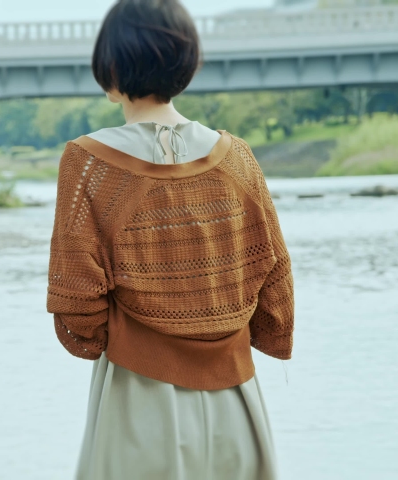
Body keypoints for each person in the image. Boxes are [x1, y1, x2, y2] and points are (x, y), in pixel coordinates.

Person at [45, 0, 295, 478]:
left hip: (139, 392)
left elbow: (77, 298)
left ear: (111, 64)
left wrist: (105, 337)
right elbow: (274, 272)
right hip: (236, 398)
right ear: (187, 63)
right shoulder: (237, 157)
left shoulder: (88, 162)